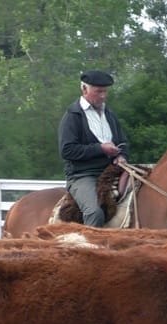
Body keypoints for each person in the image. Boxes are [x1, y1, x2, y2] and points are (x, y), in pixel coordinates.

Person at [58, 70, 131, 227]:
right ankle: (88, 249)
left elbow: (123, 142)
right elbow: (67, 150)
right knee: (94, 212)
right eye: (98, 91)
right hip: (83, 175)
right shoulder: (73, 115)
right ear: (84, 89)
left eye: (105, 91)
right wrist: (100, 149)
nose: (103, 96)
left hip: (112, 170)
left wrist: (122, 156)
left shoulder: (109, 114)